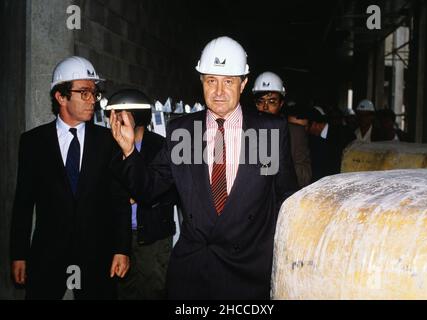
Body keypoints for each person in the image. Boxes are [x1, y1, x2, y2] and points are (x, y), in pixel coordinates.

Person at [109, 36, 298, 299]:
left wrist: (281, 257)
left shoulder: (269, 131)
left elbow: (286, 199)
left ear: (243, 83)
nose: (219, 91)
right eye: (211, 80)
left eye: (228, 81)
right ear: (201, 81)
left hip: (249, 272)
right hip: (193, 274)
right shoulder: (182, 131)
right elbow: (149, 189)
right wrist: (129, 151)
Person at [10, 56, 130, 299]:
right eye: (84, 93)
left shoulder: (108, 141)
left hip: (98, 256)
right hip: (47, 255)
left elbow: (119, 199)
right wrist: (19, 254)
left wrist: (121, 249)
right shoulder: (33, 143)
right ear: (61, 97)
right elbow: (23, 202)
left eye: (94, 93)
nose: (92, 101)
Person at [104, 89, 177, 299]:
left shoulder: (161, 146)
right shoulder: (112, 148)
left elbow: (173, 191)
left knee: (153, 292)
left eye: (121, 115)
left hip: (154, 237)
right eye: (114, 115)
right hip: (123, 237)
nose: (115, 120)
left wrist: (144, 193)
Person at [252, 71, 311, 188]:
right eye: (261, 101)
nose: (265, 107)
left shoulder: (295, 133)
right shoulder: (245, 130)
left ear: (281, 104)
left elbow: (305, 176)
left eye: (271, 102)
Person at [304, 106, 355, 182]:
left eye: (306, 127)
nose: (306, 130)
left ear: (314, 124)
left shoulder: (344, 133)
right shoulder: (312, 140)